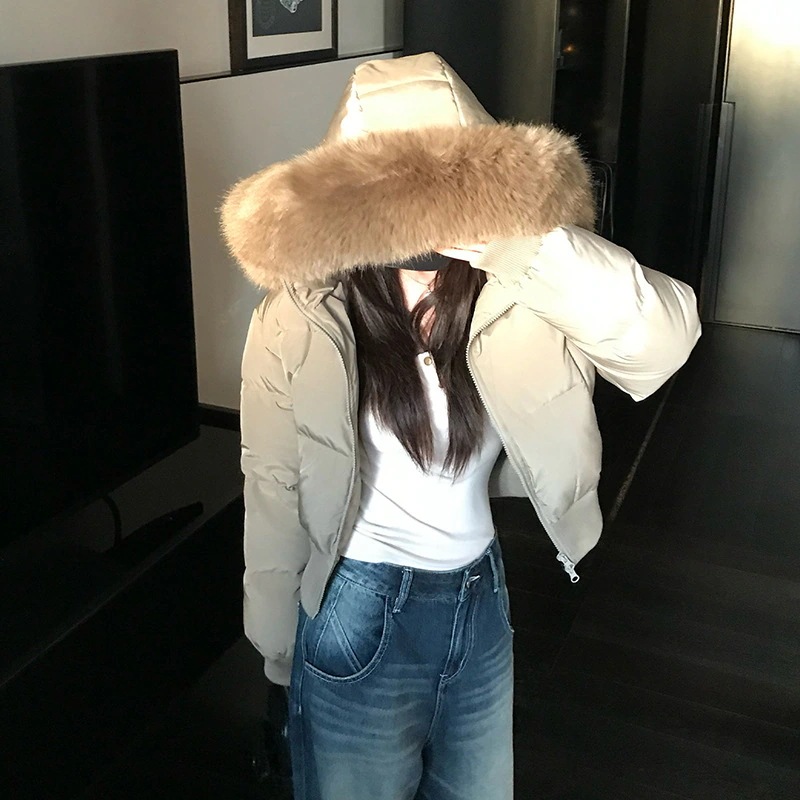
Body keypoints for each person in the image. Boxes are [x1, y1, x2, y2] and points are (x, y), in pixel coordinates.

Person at [220, 52, 701, 800]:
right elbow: (272, 479)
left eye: (440, 199)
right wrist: (276, 648)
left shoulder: (521, 290)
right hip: (354, 607)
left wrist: (519, 237)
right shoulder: (301, 317)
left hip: (480, 598)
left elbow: (663, 342)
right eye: (390, 204)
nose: (418, 238)